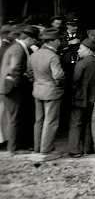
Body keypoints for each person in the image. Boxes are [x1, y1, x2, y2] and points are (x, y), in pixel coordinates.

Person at [2, 25, 39, 154]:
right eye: (34, 41)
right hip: (13, 89)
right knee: (14, 119)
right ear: (28, 39)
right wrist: (20, 85)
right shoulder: (18, 49)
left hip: (9, 88)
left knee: (14, 118)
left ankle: (14, 146)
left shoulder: (15, 47)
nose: (34, 44)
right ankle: (13, 149)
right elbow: (15, 69)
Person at [30, 27, 65, 160]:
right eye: (58, 40)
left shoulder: (34, 55)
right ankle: (46, 150)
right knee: (51, 121)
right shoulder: (53, 56)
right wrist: (61, 86)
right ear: (51, 41)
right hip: (51, 92)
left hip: (37, 90)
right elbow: (58, 76)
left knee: (39, 120)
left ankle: (38, 148)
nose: (59, 43)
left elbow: (30, 73)